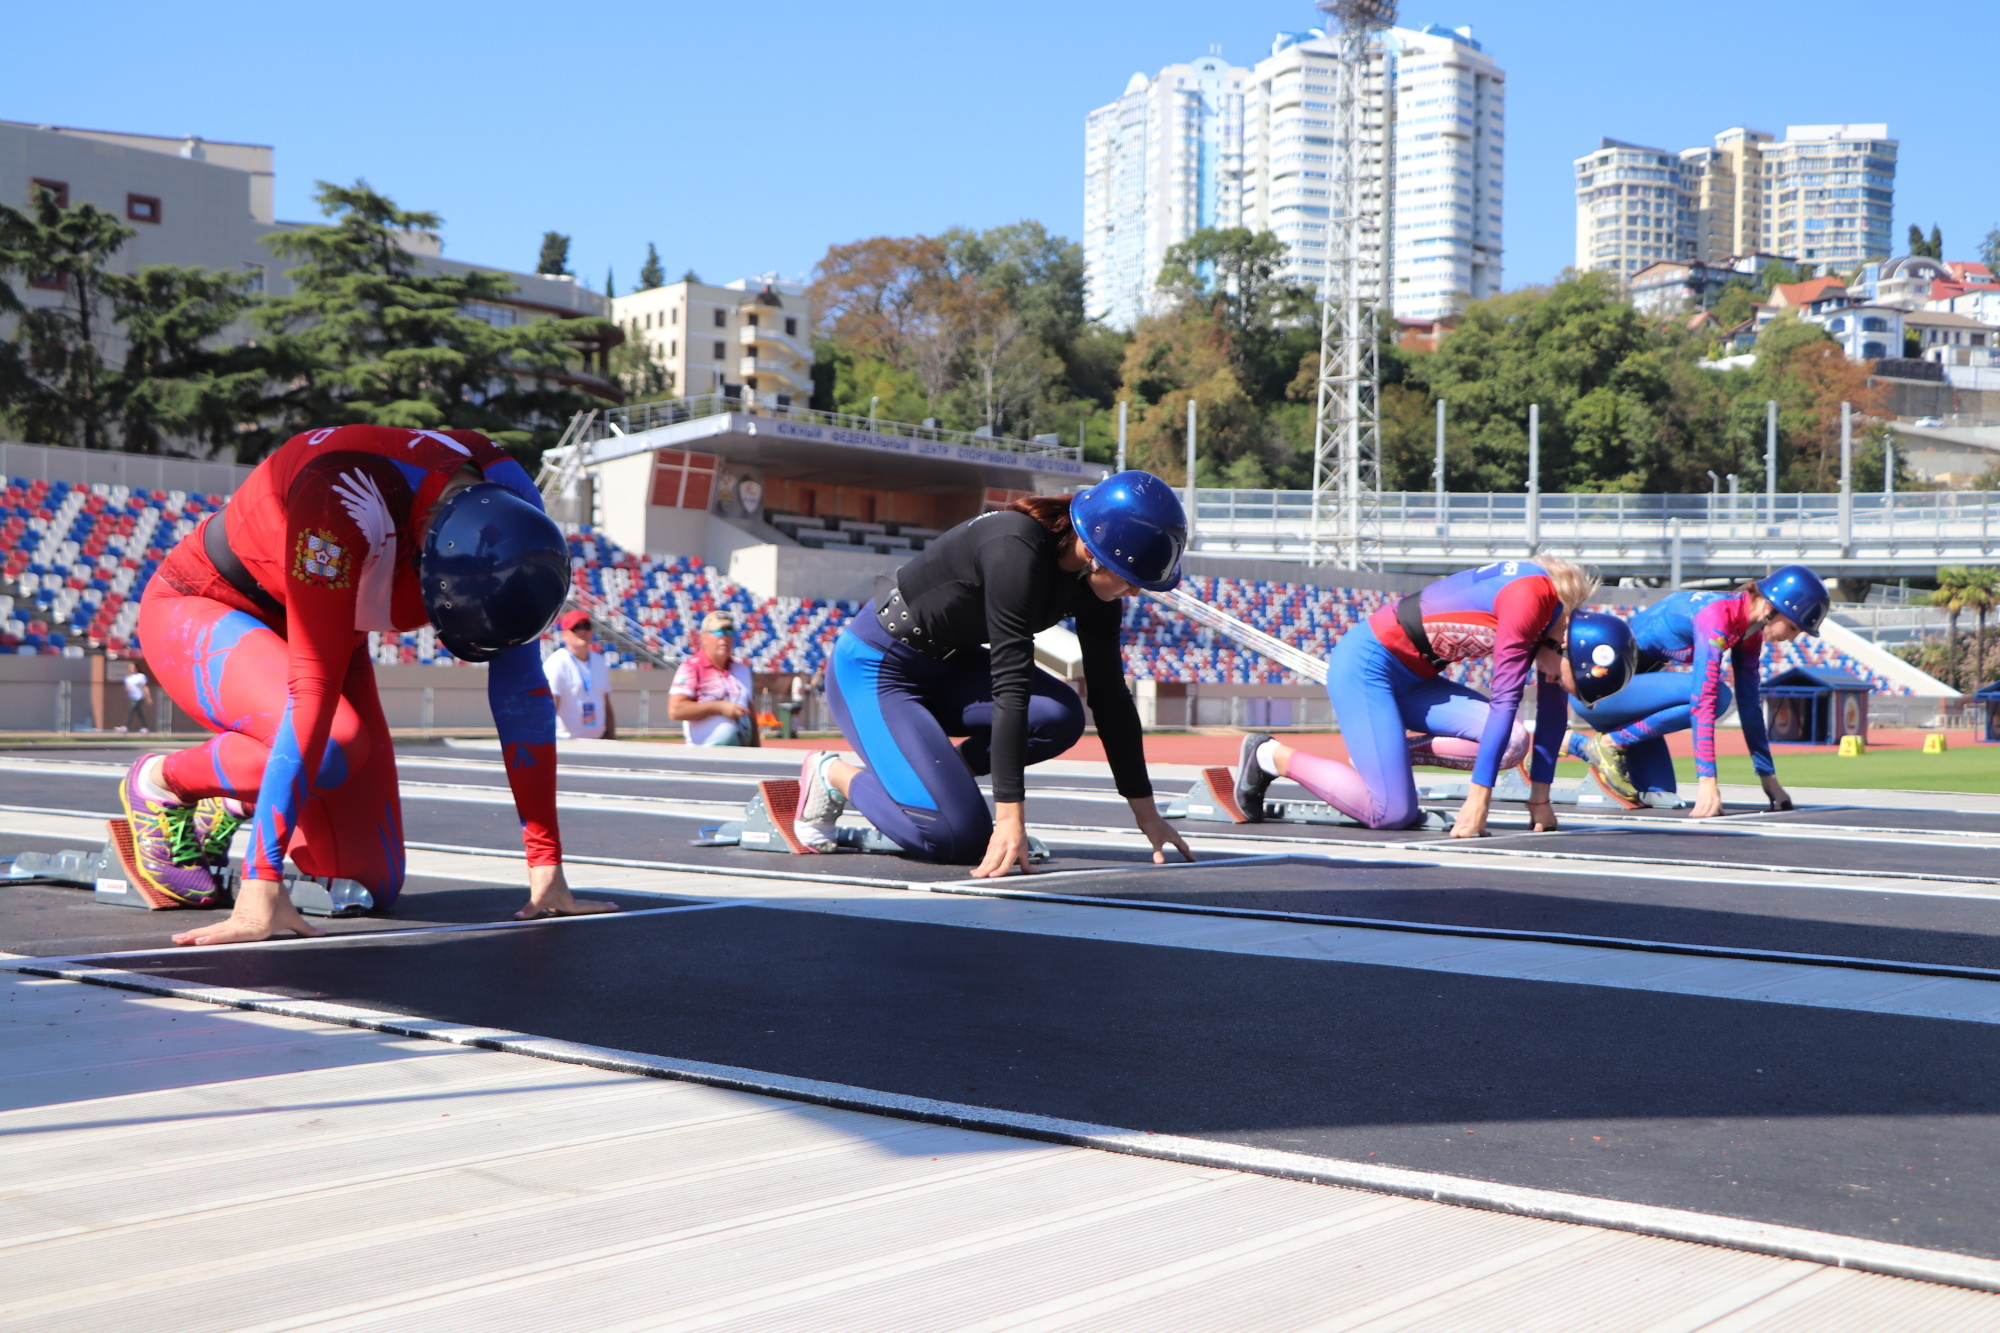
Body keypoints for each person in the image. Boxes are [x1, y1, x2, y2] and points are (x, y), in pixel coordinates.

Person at [125, 424, 617, 946]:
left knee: (367, 881)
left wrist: (546, 870)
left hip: (335, 621)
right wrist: (261, 884)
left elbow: (521, 693)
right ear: (425, 558)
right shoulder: (340, 498)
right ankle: (163, 783)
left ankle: (235, 803)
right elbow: (310, 692)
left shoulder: (511, 510)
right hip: (212, 604)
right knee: (337, 742)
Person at [796, 471, 1195, 878]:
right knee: (957, 840)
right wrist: (1009, 821)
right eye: (1132, 581)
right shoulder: (1014, 547)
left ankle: (934, 778)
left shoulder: (1094, 590)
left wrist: (1147, 814)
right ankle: (832, 773)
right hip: (877, 669)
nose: (1135, 594)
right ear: (1097, 555)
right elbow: (1011, 685)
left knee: (1059, 717)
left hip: (947, 668)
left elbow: (1110, 698)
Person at [1234, 557, 1637, 839]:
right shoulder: (1531, 599)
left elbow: (1551, 715)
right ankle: (1269, 755)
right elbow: (1505, 701)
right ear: (1569, 648)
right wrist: (1478, 803)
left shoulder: (1554, 626)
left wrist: (1540, 801)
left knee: (1514, 743)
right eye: (1562, 677)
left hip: (1418, 679)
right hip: (1368, 666)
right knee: (1390, 814)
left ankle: (1386, 755)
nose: (1553, 680)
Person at [1564, 565, 1829, 817]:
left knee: (1661, 793)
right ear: (1771, 606)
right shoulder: (1717, 615)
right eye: (1793, 627)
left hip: (1627, 692)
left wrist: (1768, 777)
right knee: (1718, 695)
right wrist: (1707, 781)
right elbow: (1703, 700)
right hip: (1597, 692)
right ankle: (1612, 742)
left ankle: (1572, 743)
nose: (1793, 637)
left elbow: (1749, 705)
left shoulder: (1749, 632)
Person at [669, 610, 757, 746]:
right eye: (718, 631)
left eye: (729, 632)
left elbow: (750, 713)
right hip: (703, 757)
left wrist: (756, 750)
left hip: (740, 758)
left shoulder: (742, 670)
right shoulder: (690, 668)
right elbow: (675, 710)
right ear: (703, 637)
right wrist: (719, 707)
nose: (724, 637)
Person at [544, 610, 616, 741]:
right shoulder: (557, 662)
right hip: (566, 741)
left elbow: (606, 704)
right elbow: (549, 706)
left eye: (586, 626)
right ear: (565, 634)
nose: (582, 631)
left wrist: (611, 736)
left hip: (597, 740)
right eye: (576, 627)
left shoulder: (599, 661)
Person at [119, 669, 151, 734]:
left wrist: (148, 697)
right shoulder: (128, 678)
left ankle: (125, 726)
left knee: (131, 710)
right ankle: (145, 727)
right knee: (139, 713)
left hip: (139, 696)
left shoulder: (140, 676)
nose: (132, 670)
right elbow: (127, 687)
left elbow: (145, 687)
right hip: (132, 697)